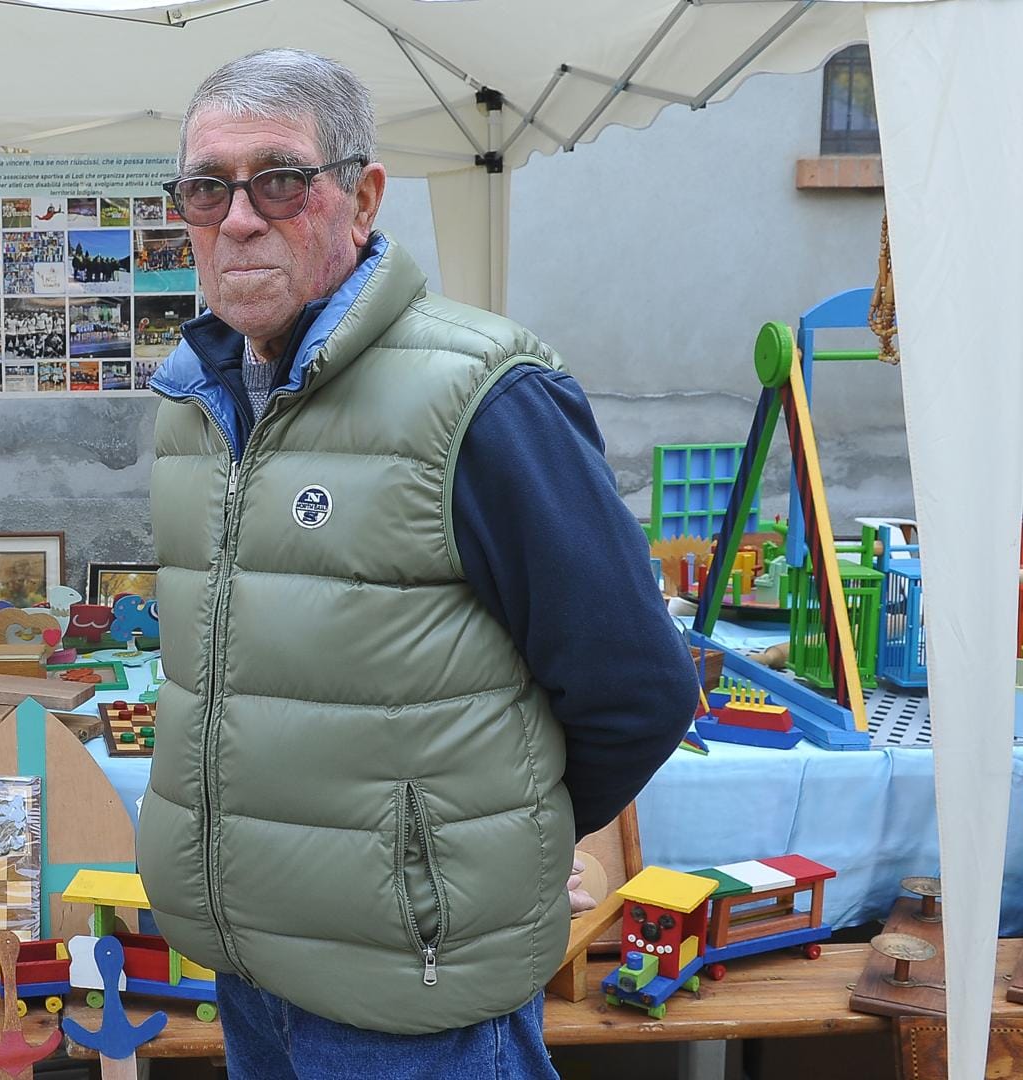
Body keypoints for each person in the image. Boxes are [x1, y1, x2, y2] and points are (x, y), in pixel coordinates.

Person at [140, 48, 697, 1079]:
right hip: (250, 975)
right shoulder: (193, 406)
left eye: (280, 179)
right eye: (208, 188)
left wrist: (486, 848)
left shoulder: (483, 394)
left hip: (415, 999)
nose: (240, 218)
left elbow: (638, 686)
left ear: (362, 198)